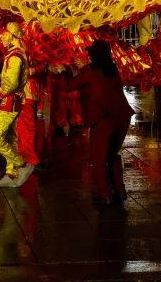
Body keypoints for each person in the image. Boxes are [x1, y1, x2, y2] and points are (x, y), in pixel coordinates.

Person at [63, 40, 134, 205]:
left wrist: (63, 72)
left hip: (103, 119)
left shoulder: (91, 71)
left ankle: (105, 194)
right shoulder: (112, 68)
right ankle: (120, 190)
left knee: (99, 158)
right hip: (121, 117)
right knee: (112, 154)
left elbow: (69, 85)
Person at [0, 23, 35, 187]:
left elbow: (12, 82)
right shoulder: (14, 54)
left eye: (3, 34)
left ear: (12, 35)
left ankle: (21, 164)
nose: (1, 37)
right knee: (9, 137)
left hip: (10, 101)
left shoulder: (15, 56)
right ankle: (11, 173)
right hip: (12, 100)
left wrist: (0, 94)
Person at [16, 68, 46, 168]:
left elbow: (35, 97)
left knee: (24, 134)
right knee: (26, 134)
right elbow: (36, 97)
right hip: (25, 107)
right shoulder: (30, 81)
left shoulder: (30, 81)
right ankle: (29, 158)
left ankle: (26, 158)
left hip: (24, 107)